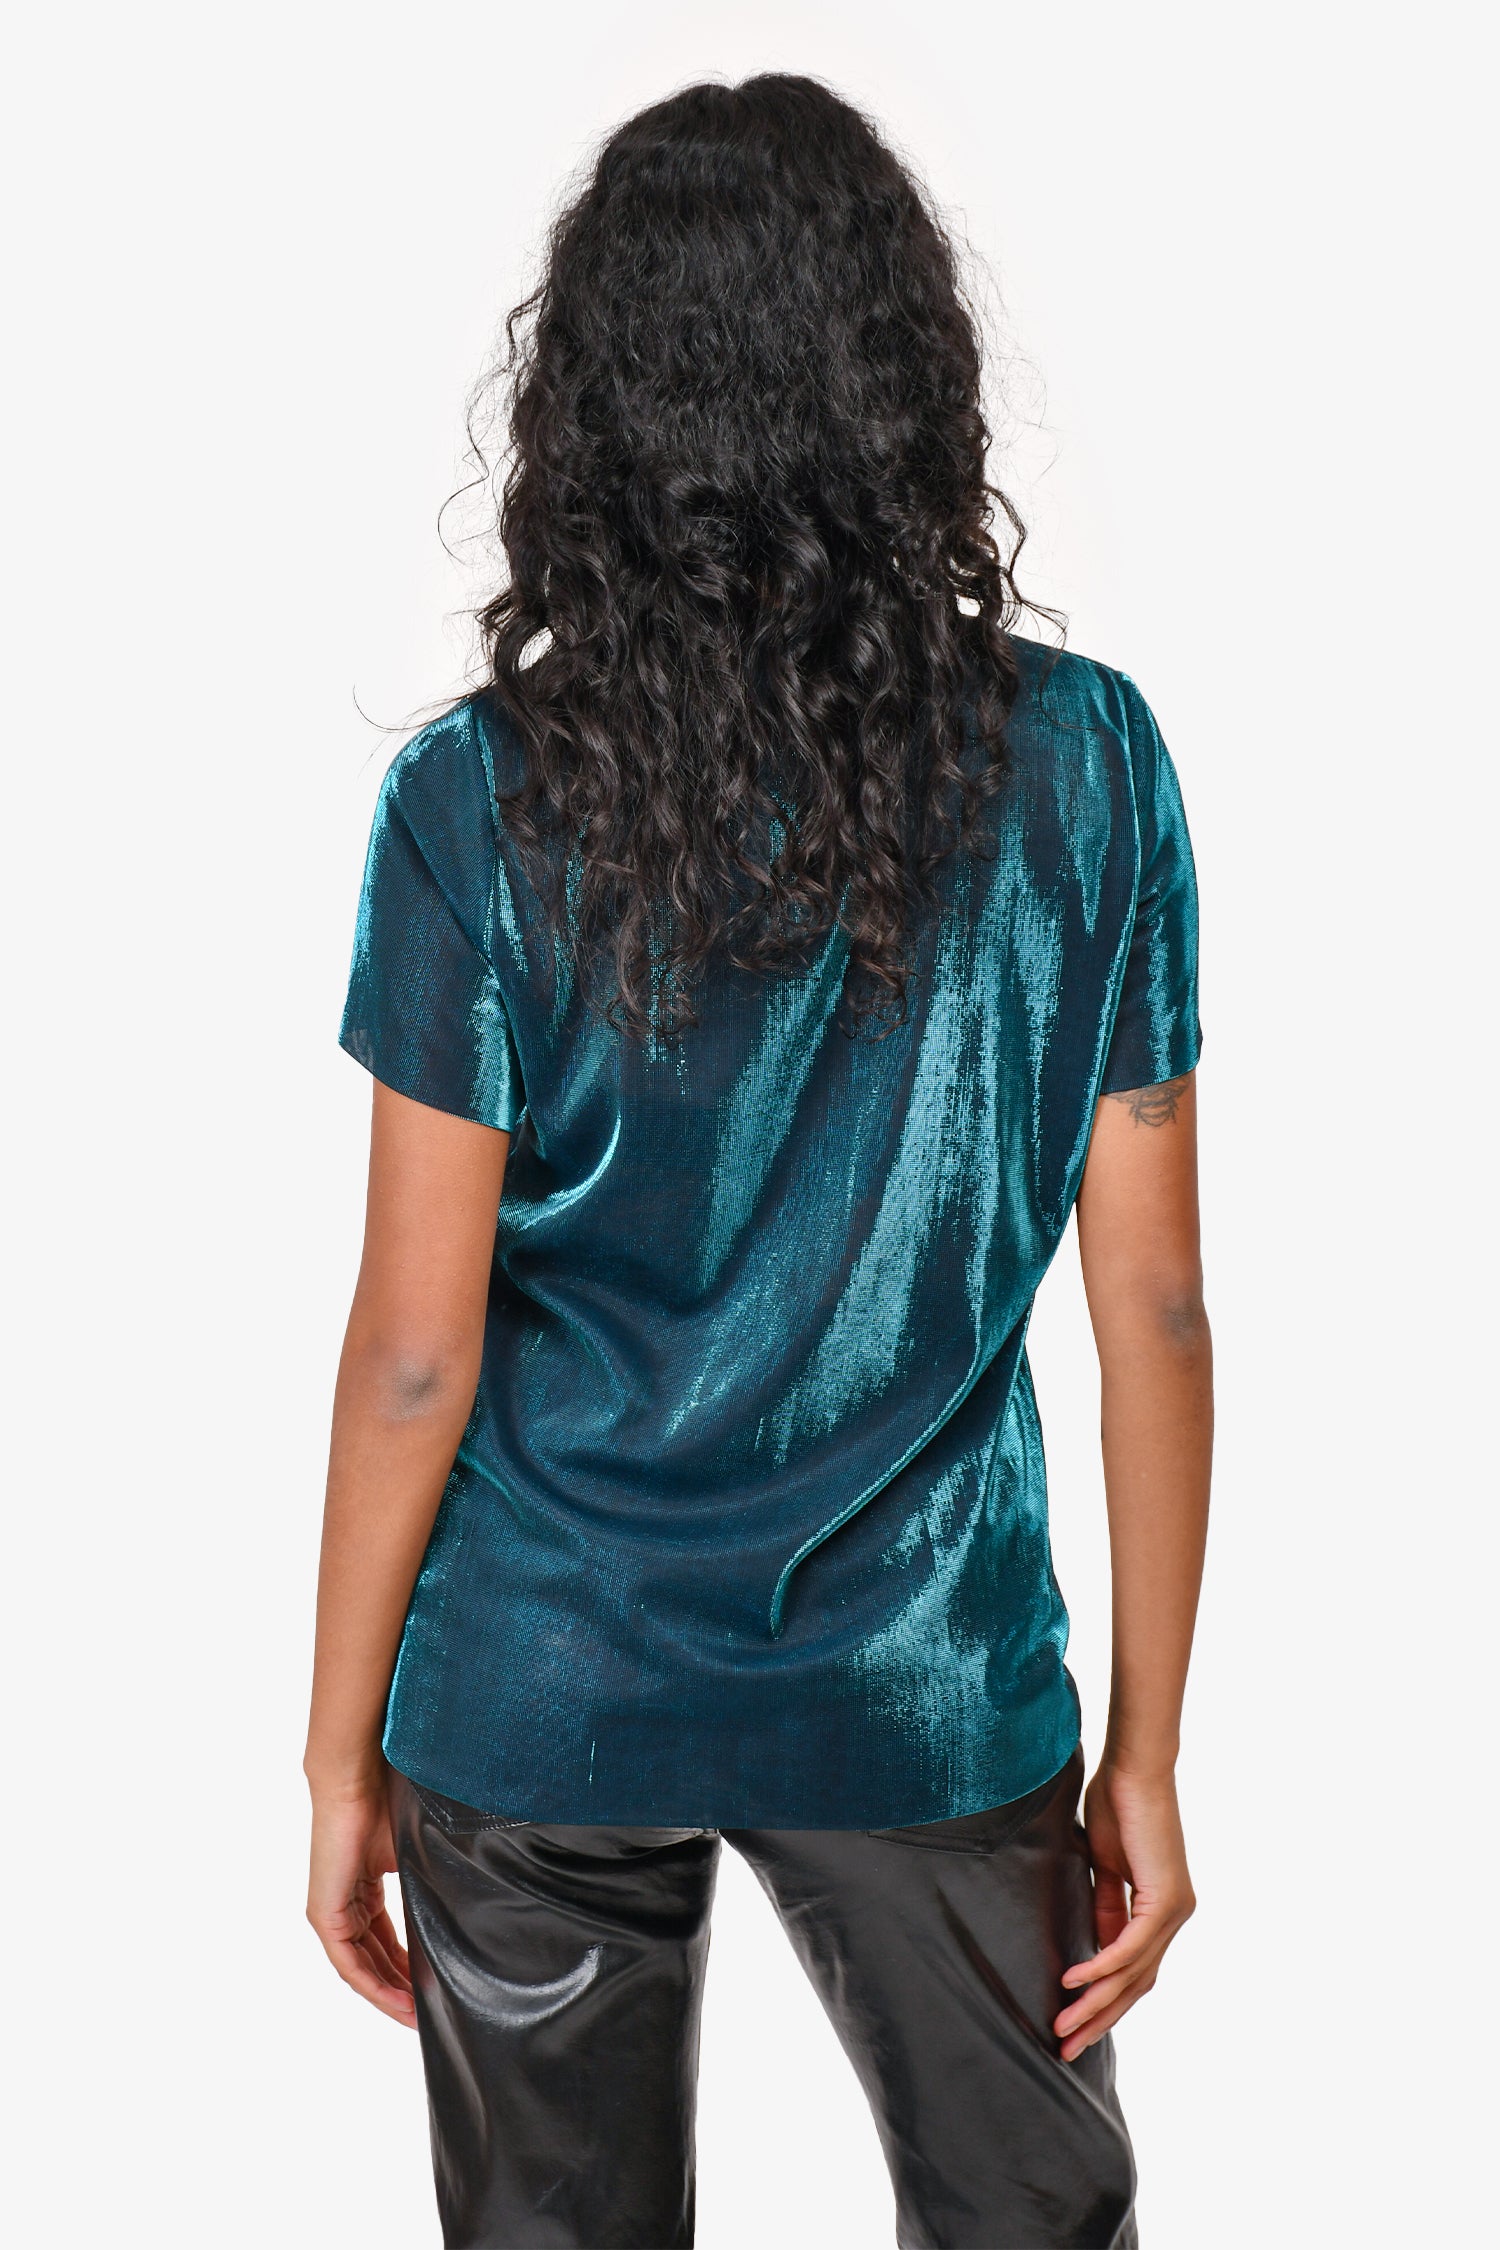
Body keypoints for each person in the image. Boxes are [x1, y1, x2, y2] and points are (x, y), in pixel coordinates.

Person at [305, 73, 1211, 2250]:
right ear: (907, 384)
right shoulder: (1086, 770)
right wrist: (1146, 1757)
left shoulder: (476, 802)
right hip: (927, 1673)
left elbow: (418, 1354)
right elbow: (1158, 1309)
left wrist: (340, 1756)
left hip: (543, 1673)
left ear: (595, 412)